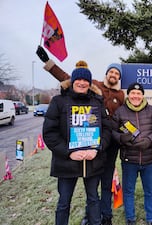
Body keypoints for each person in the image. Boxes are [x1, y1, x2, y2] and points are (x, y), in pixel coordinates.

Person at [36, 46, 124, 225]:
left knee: (95, 197)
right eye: (79, 79)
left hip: (95, 158)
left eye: (86, 80)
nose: (82, 83)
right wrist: (69, 151)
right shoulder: (61, 101)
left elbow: (108, 128)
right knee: (64, 202)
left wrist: (97, 149)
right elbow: (50, 133)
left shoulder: (110, 98)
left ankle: (99, 220)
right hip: (67, 162)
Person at [111, 82, 152, 225]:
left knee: (150, 191)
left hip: (149, 160)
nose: (136, 96)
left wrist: (149, 141)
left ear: (142, 95)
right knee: (128, 191)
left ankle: (151, 219)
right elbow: (112, 131)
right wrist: (121, 138)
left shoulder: (151, 110)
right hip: (129, 160)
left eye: (138, 93)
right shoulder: (120, 111)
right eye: (133, 93)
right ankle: (130, 218)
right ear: (128, 95)